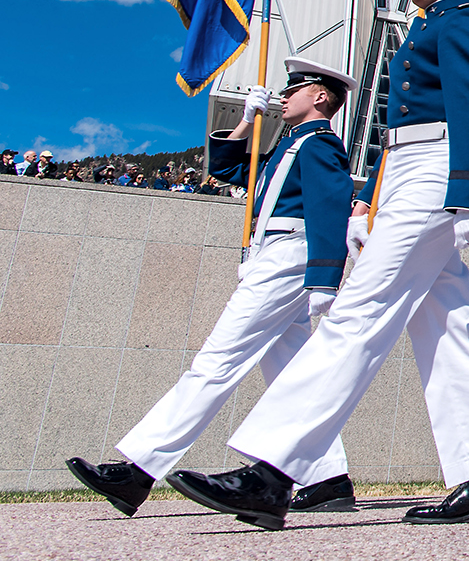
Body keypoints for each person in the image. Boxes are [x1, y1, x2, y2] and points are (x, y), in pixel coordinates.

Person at [167, 0, 469, 528]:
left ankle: (272, 471)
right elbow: (407, 131)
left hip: (438, 171)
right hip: (414, 171)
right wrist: (382, 197)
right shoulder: (431, 27)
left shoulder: (466, 22)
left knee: (361, 311)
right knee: (444, 325)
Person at [66, 58, 359, 518]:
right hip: (272, 257)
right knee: (287, 374)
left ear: (321, 97)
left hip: (288, 257)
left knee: (216, 363)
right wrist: (244, 122)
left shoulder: (319, 146)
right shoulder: (289, 147)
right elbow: (228, 170)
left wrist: (325, 276)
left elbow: (330, 207)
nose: (283, 97)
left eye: (294, 90)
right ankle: (327, 479)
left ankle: (138, 470)